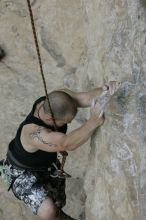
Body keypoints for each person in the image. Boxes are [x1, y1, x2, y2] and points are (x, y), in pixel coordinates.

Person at [2, 81, 120, 220]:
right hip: (22, 172)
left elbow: (87, 97)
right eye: (65, 122)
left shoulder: (59, 99)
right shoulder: (35, 134)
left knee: (57, 202)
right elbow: (67, 143)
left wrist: (106, 91)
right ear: (50, 118)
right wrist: (92, 122)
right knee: (47, 210)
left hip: (45, 165)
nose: (67, 124)